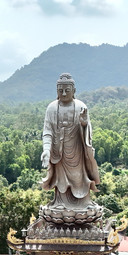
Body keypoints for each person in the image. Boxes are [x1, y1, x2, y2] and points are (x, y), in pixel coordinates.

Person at [41, 73, 100, 210]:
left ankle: (84, 202)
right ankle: (60, 202)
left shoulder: (80, 106)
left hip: (77, 149)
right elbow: (47, 131)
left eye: (67, 90)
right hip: (58, 151)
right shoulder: (51, 108)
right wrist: (46, 150)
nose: (63, 93)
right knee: (61, 180)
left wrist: (84, 124)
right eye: (60, 90)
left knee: (79, 176)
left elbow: (88, 132)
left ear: (74, 91)